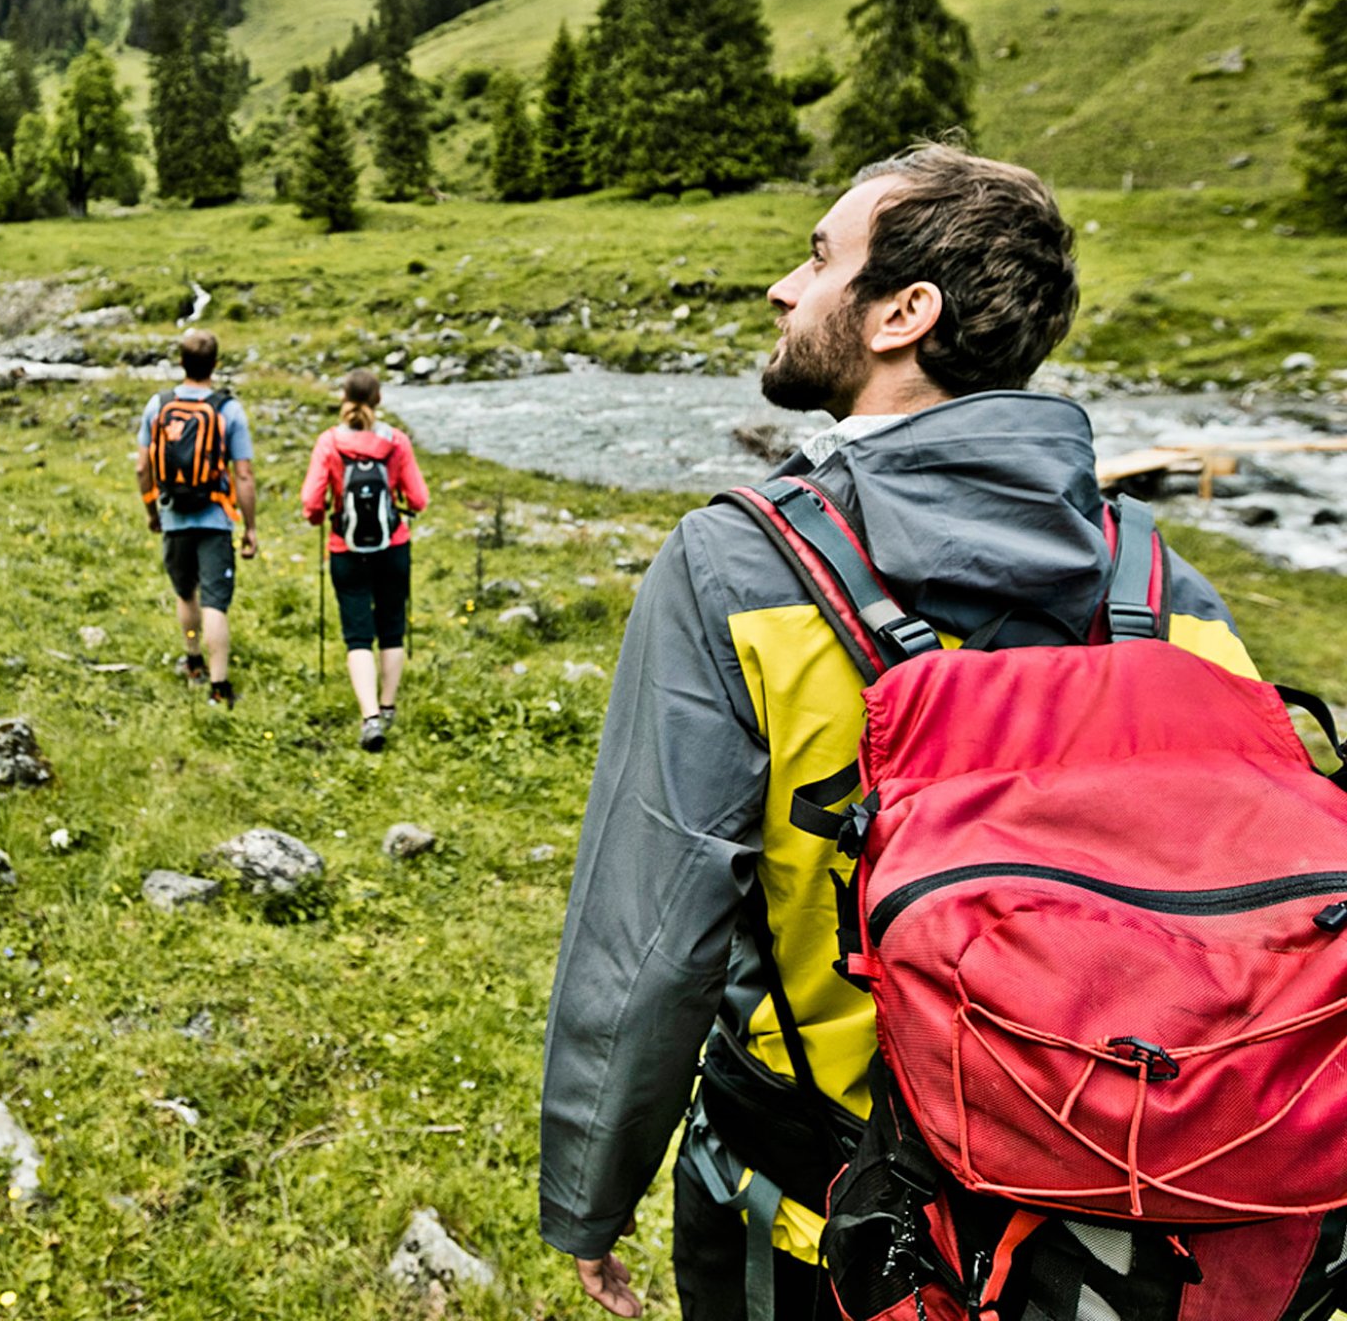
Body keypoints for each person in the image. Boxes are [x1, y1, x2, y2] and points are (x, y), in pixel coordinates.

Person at [537, 145, 1259, 1318]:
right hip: (1124, 1212)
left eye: (820, 257)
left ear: (903, 314)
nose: (784, 286)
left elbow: (648, 936)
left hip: (823, 1216)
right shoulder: (1157, 579)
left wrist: (589, 1194)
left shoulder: (737, 566)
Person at [301, 368, 429, 751]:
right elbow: (419, 499)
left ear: (343, 396)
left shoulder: (329, 443)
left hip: (346, 549)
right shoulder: (396, 442)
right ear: (379, 399)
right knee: (391, 629)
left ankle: (370, 718)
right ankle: (388, 705)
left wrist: (321, 515)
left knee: (358, 636)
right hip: (393, 546)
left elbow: (310, 501)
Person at [136, 328, 258, 708]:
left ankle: (192, 662)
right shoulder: (228, 409)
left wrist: (152, 511)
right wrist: (251, 527)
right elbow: (243, 474)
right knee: (215, 603)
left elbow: (143, 468)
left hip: (173, 515)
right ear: (215, 365)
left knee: (185, 591)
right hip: (216, 518)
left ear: (181, 362)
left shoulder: (158, 405)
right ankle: (219, 688)